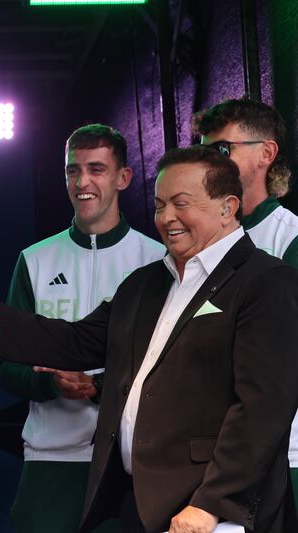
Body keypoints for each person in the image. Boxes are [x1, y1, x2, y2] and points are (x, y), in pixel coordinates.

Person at [0, 146, 298, 533]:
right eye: (159, 205)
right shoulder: (145, 283)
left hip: (211, 515)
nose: (166, 218)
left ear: (227, 208)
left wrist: (211, 504)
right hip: (139, 504)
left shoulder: (266, 280)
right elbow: (75, 342)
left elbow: (263, 410)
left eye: (181, 203)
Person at [0, 124, 164, 533]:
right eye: (73, 170)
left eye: (96, 169)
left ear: (123, 177)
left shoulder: (157, 259)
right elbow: (5, 367)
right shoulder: (34, 260)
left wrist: (100, 386)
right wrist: (51, 383)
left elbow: (168, 367)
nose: (82, 182)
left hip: (127, 462)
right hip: (49, 460)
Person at [193, 98, 298, 506]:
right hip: (211, 460)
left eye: (222, 150)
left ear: (266, 155)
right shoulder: (194, 246)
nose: (209, 162)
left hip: (284, 460)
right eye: (204, 151)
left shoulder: (289, 240)